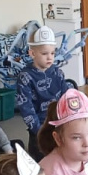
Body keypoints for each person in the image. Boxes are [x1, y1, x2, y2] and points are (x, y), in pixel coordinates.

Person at [14, 24, 73, 160]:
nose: (50, 58)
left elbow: (66, 96)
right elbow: (26, 107)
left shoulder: (57, 73)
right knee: (41, 162)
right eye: (44, 54)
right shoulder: (25, 76)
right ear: (32, 53)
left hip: (59, 122)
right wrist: (38, 130)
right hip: (39, 127)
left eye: (52, 53)